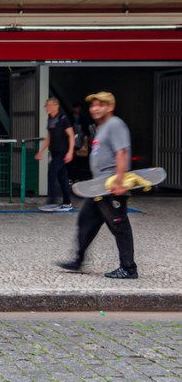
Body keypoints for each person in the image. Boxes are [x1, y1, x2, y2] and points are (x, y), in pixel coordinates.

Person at [58, 91, 138, 279]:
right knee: (85, 220)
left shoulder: (115, 124)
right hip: (99, 187)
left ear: (110, 107)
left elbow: (122, 153)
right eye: (93, 105)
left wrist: (119, 182)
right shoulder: (101, 128)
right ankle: (78, 261)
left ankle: (128, 268)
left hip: (111, 186)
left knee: (119, 225)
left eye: (99, 105)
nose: (94, 109)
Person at [36, 97, 75, 212]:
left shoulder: (63, 118)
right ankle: (67, 203)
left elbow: (71, 135)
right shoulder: (50, 118)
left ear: (56, 106)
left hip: (62, 152)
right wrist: (41, 151)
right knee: (62, 178)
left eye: (49, 105)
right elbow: (49, 137)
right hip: (54, 152)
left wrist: (70, 152)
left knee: (52, 172)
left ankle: (52, 202)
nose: (46, 108)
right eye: (46, 105)